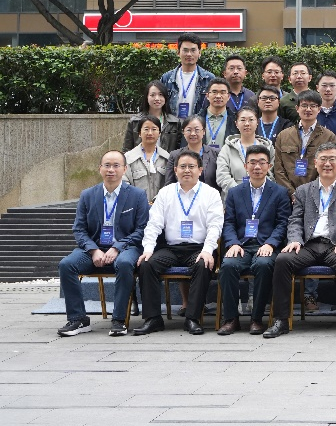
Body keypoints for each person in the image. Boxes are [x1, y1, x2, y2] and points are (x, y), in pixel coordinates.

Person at [264, 143, 336, 339]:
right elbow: (295, 219)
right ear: (316, 163)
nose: (327, 164)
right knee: (283, 260)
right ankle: (281, 320)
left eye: (332, 159)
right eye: (323, 160)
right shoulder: (303, 190)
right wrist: (295, 239)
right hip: (308, 244)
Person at [57, 151, 149, 337]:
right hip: (94, 248)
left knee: (125, 263)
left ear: (125, 169)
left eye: (116, 166)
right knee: (66, 265)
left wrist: (117, 247)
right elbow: (79, 229)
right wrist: (93, 250)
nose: (111, 170)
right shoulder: (88, 195)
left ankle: (119, 320)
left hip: (126, 247)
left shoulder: (137, 195)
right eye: (107, 165)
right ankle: (78, 319)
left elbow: (142, 230)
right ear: (100, 169)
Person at [132, 150, 224, 336]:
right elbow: (154, 224)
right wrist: (148, 249)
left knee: (203, 264)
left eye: (191, 166)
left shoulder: (211, 194)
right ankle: (153, 318)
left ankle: (193, 318)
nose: (187, 170)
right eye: (182, 166)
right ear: (175, 170)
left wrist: (208, 250)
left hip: (199, 248)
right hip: (171, 248)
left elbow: (215, 226)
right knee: (147, 264)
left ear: (200, 170)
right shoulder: (165, 193)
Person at [217, 144, 292, 336]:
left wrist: (270, 243)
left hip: (266, 246)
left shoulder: (280, 192)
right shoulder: (235, 192)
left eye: (261, 162)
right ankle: (231, 319)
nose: (257, 167)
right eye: (252, 162)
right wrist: (233, 243)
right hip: (241, 245)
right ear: (245, 166)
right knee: (228, 265)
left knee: (264, 265)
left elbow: (282, 224)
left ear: (269, 166)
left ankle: (257, 319)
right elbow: (229, 222)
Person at [272, 90, 336, 201]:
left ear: (319, 109)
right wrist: (292, 193)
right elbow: (278, 169)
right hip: (287, 197)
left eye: (313, 106)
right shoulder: (283, 136)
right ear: (297, 108)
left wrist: (311, 193)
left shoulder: (329, 137)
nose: (308, 109)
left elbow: (330, 167)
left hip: (317, 197)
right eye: (304, 105)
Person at [216, 106, 275, 197]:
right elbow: (222, 176)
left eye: (251, 120)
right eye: (243, 120)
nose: (247, 124)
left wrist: (257, 190)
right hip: (234, 198)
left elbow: (271, 174)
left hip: (262, 197)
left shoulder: (268, 147)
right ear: (236, 123)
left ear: (257, 122)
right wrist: (240, 192)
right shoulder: (227, 148)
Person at [159, 33, 214, 118]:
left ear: (199, 53)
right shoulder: (167, 78)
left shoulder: (209, 79)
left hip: (198, 125)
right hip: (172, 125)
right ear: (178, 52)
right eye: (185, 50)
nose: (189, 54)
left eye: (193, 50)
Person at [123, 80, 182, 153]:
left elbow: (178, 151)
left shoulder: (174, 122)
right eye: (152, 95)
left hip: (165, 160)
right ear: (147, 97)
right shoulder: (135, 121)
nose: (157, 98)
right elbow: (127, 149)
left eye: (160, 94)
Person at [165, 116, 220, 192]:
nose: (193, 133)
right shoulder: (174, 155)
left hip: (209, 197)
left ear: (204, 131)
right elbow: (169, 184)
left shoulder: (216, 154)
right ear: (183, 132)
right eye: (189, 130)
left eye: (197, 130)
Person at [124, 115, 171, 203]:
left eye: (154, 129)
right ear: (139, 133)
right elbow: (124, 184)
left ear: (159, 133)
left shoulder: (167, 158)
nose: (150, 133)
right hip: (136, 205)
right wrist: (140, 203)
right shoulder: (128, 158)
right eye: (146, 129)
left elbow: (169, 184)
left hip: (161, 205)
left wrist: (157, 201)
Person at [201, 77, 239, 149]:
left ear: (228, 96)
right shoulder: (197, 119)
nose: (218, 96)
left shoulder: (236, 121)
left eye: (222, 92)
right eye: (214, 92)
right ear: (207, 96)